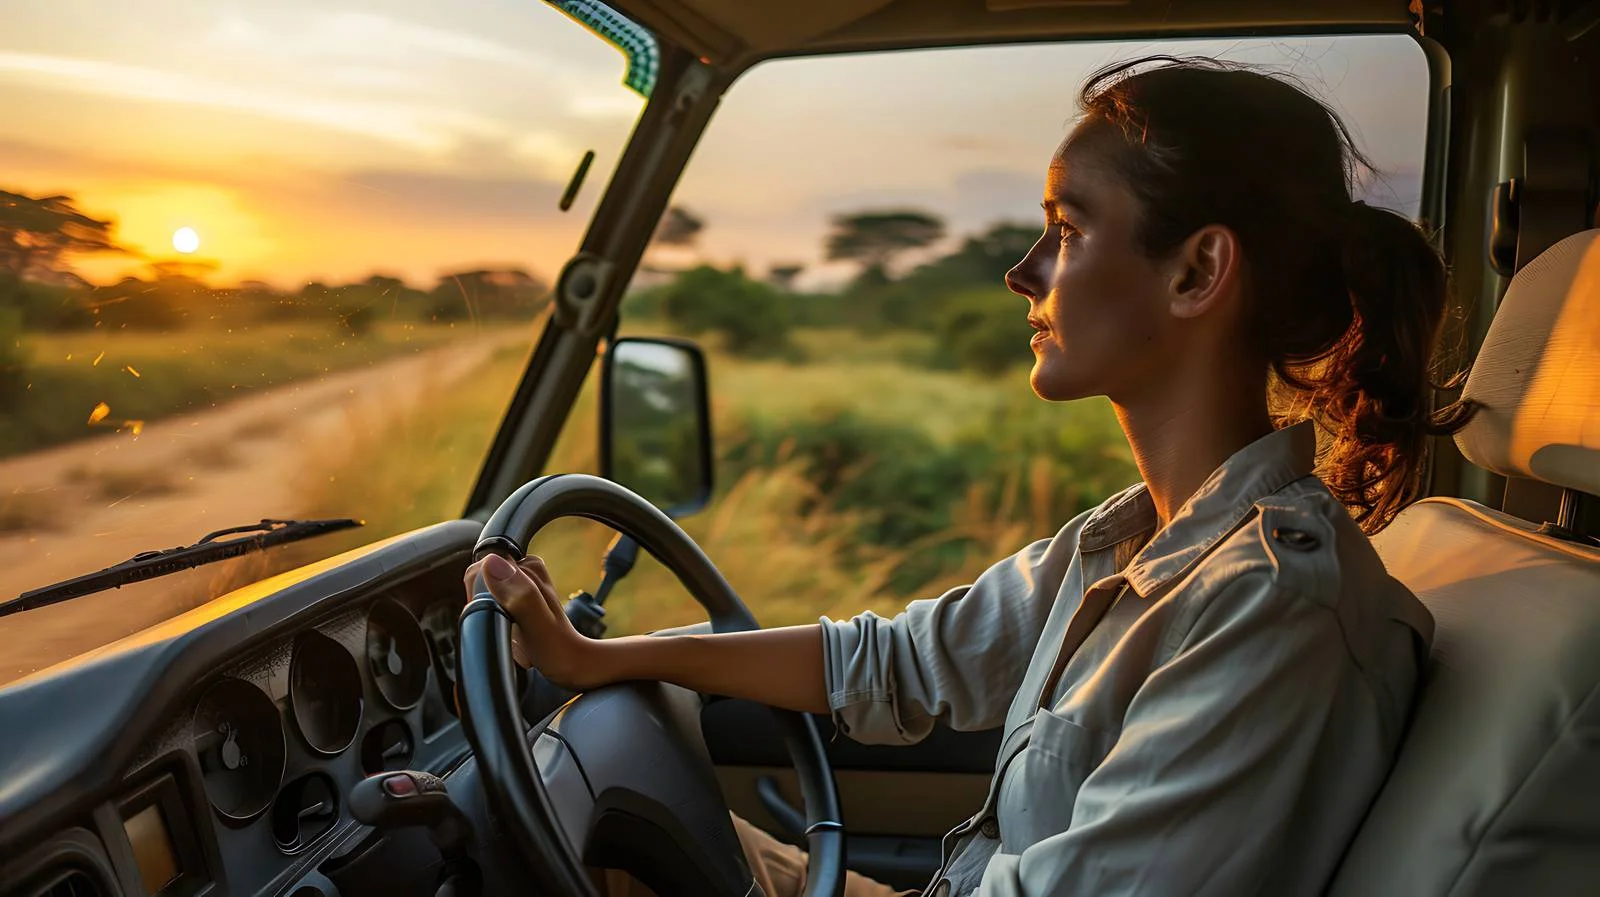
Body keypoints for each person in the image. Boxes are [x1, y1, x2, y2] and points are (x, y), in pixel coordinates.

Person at [465, 56, 1472, 897]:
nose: (1022, 271)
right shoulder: (1134, 541)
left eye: (1068, 230)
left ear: (1196, 272)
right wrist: (607, 659)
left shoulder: (1268, 609)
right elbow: (893, 663)